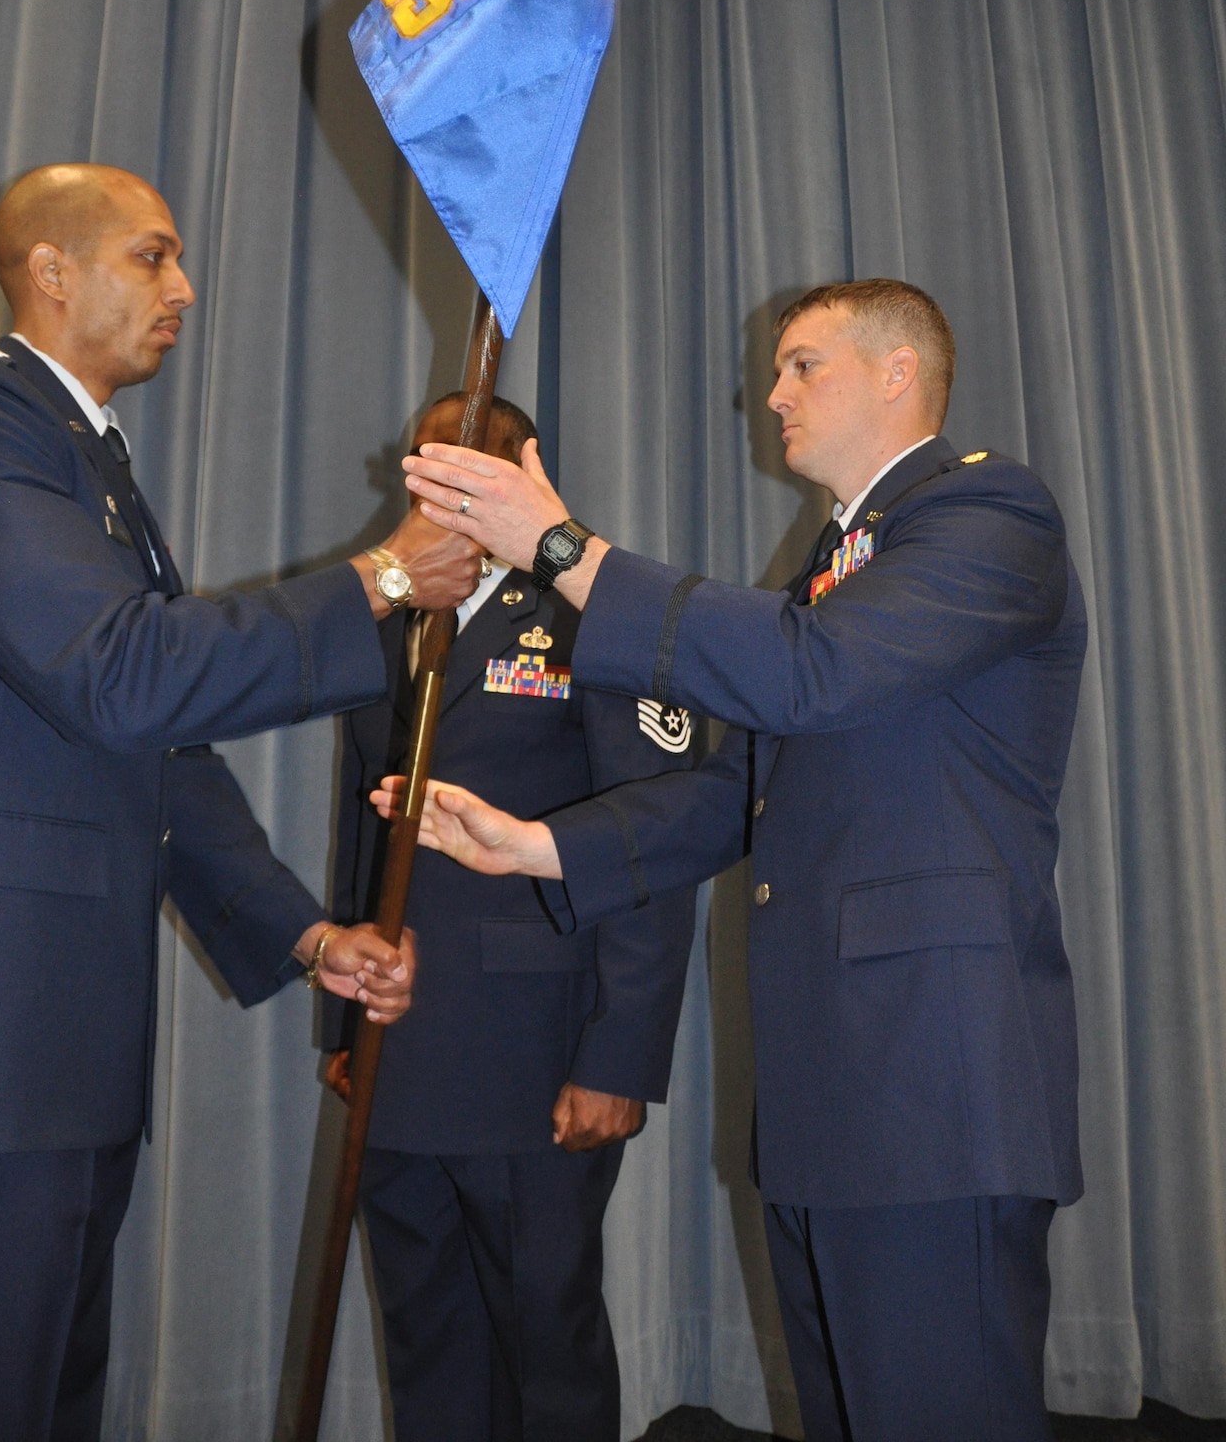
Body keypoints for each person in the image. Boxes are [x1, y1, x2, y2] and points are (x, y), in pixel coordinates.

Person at [385, 278, 1088, 1442]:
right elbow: (733, 787)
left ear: (897, 373)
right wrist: (540, 845)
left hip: (933, 1087)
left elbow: (808, 671)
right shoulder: (832, 561)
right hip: (834, 1099)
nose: (769, 392)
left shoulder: (990, 515)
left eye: (802, 363)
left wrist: (559, 549)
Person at [0, 163, 480, 1442]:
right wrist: (381, 574)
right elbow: (119, 677)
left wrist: (308, 934)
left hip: (59, 1051)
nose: (186, 288)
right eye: (152, 257)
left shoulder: (83, 460)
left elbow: (159, 752)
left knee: (47, 1401)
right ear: (50, 270)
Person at [324, 388, 696, 1442]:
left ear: (523, 469)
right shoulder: (380, 610)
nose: (441, 480)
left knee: (547, 1353)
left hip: (532, 1056)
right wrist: (344, 1023)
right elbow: (362, 833)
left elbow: (652, 846)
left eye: (469, 458)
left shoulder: (598, 616)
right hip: (396, 1049)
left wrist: (619, 1055)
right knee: (425, 1341)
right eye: (424, 460)